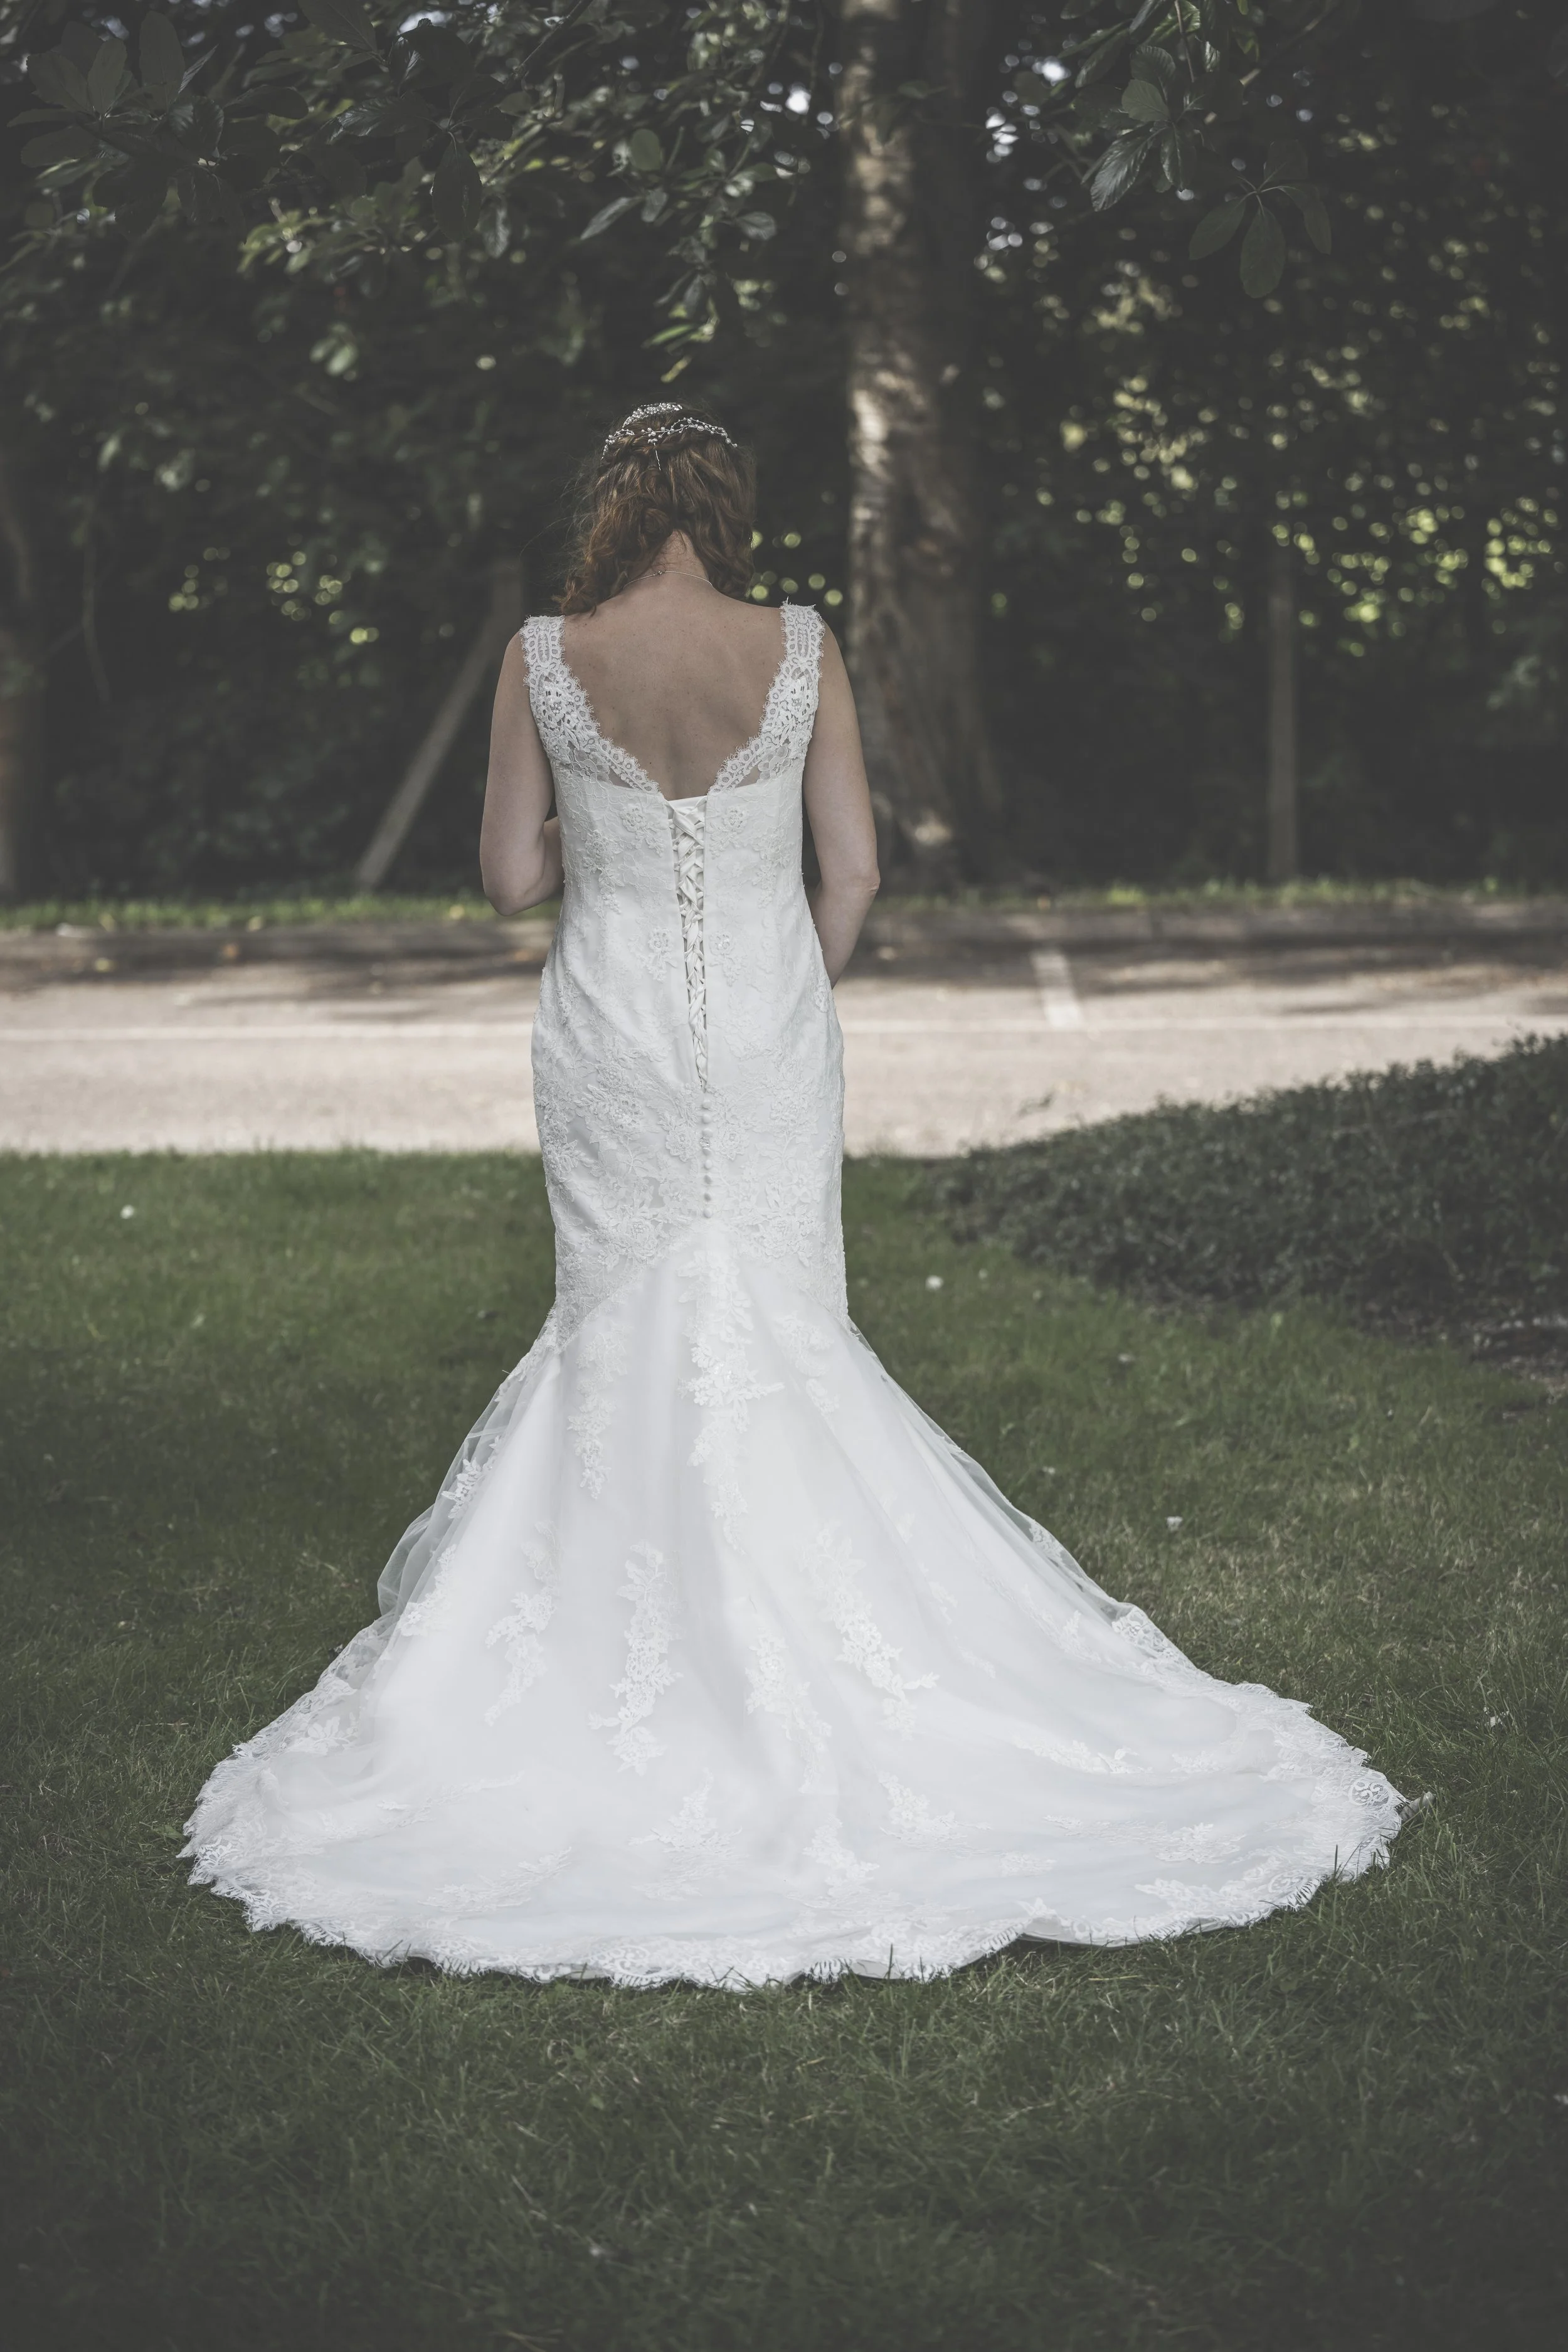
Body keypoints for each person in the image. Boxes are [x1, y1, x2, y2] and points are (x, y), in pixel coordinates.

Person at [184, 405, 1404, 1986]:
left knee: (620, 1322)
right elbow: (858, 872)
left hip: (610, 1035)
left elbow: (505, 879)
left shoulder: (545, 657)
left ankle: (608, 1671)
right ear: (724, 507)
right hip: (763, 1034)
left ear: (612, 508)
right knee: (780, 1328)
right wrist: (786, 998)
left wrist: (588, 816)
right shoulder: (803, 645)